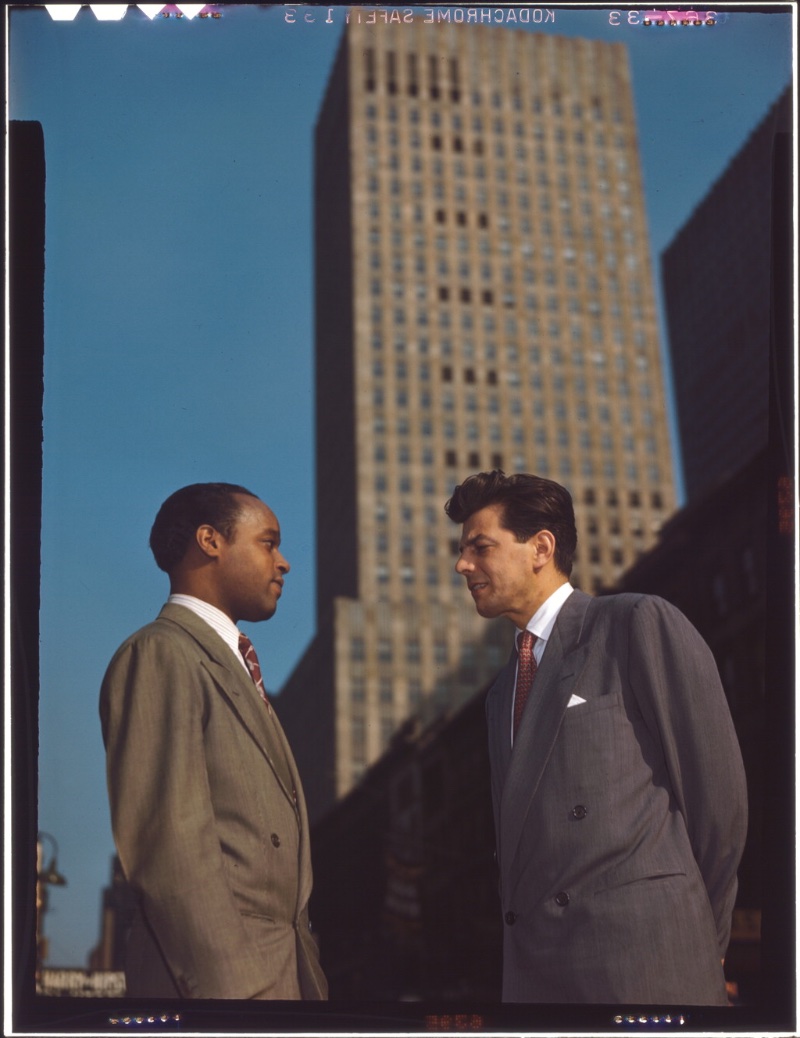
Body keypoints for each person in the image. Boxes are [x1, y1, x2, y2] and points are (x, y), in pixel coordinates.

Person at [445, 471, 747, 1005]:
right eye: (462, 550)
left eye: (480, 546)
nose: (462, 564)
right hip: (537, 983)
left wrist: (703, 937)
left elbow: (718, 800)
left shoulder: (635, 623)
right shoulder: (499, 695)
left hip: (645, 969)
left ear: (541, 548)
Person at [100, 483, 328, 1000]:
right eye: (268, 543)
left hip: (284, 980)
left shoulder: (235, 666)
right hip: (225, 989)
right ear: (210, 541)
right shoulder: (162, 653)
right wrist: (237, 995)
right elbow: (169, 847)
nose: (284, 562)